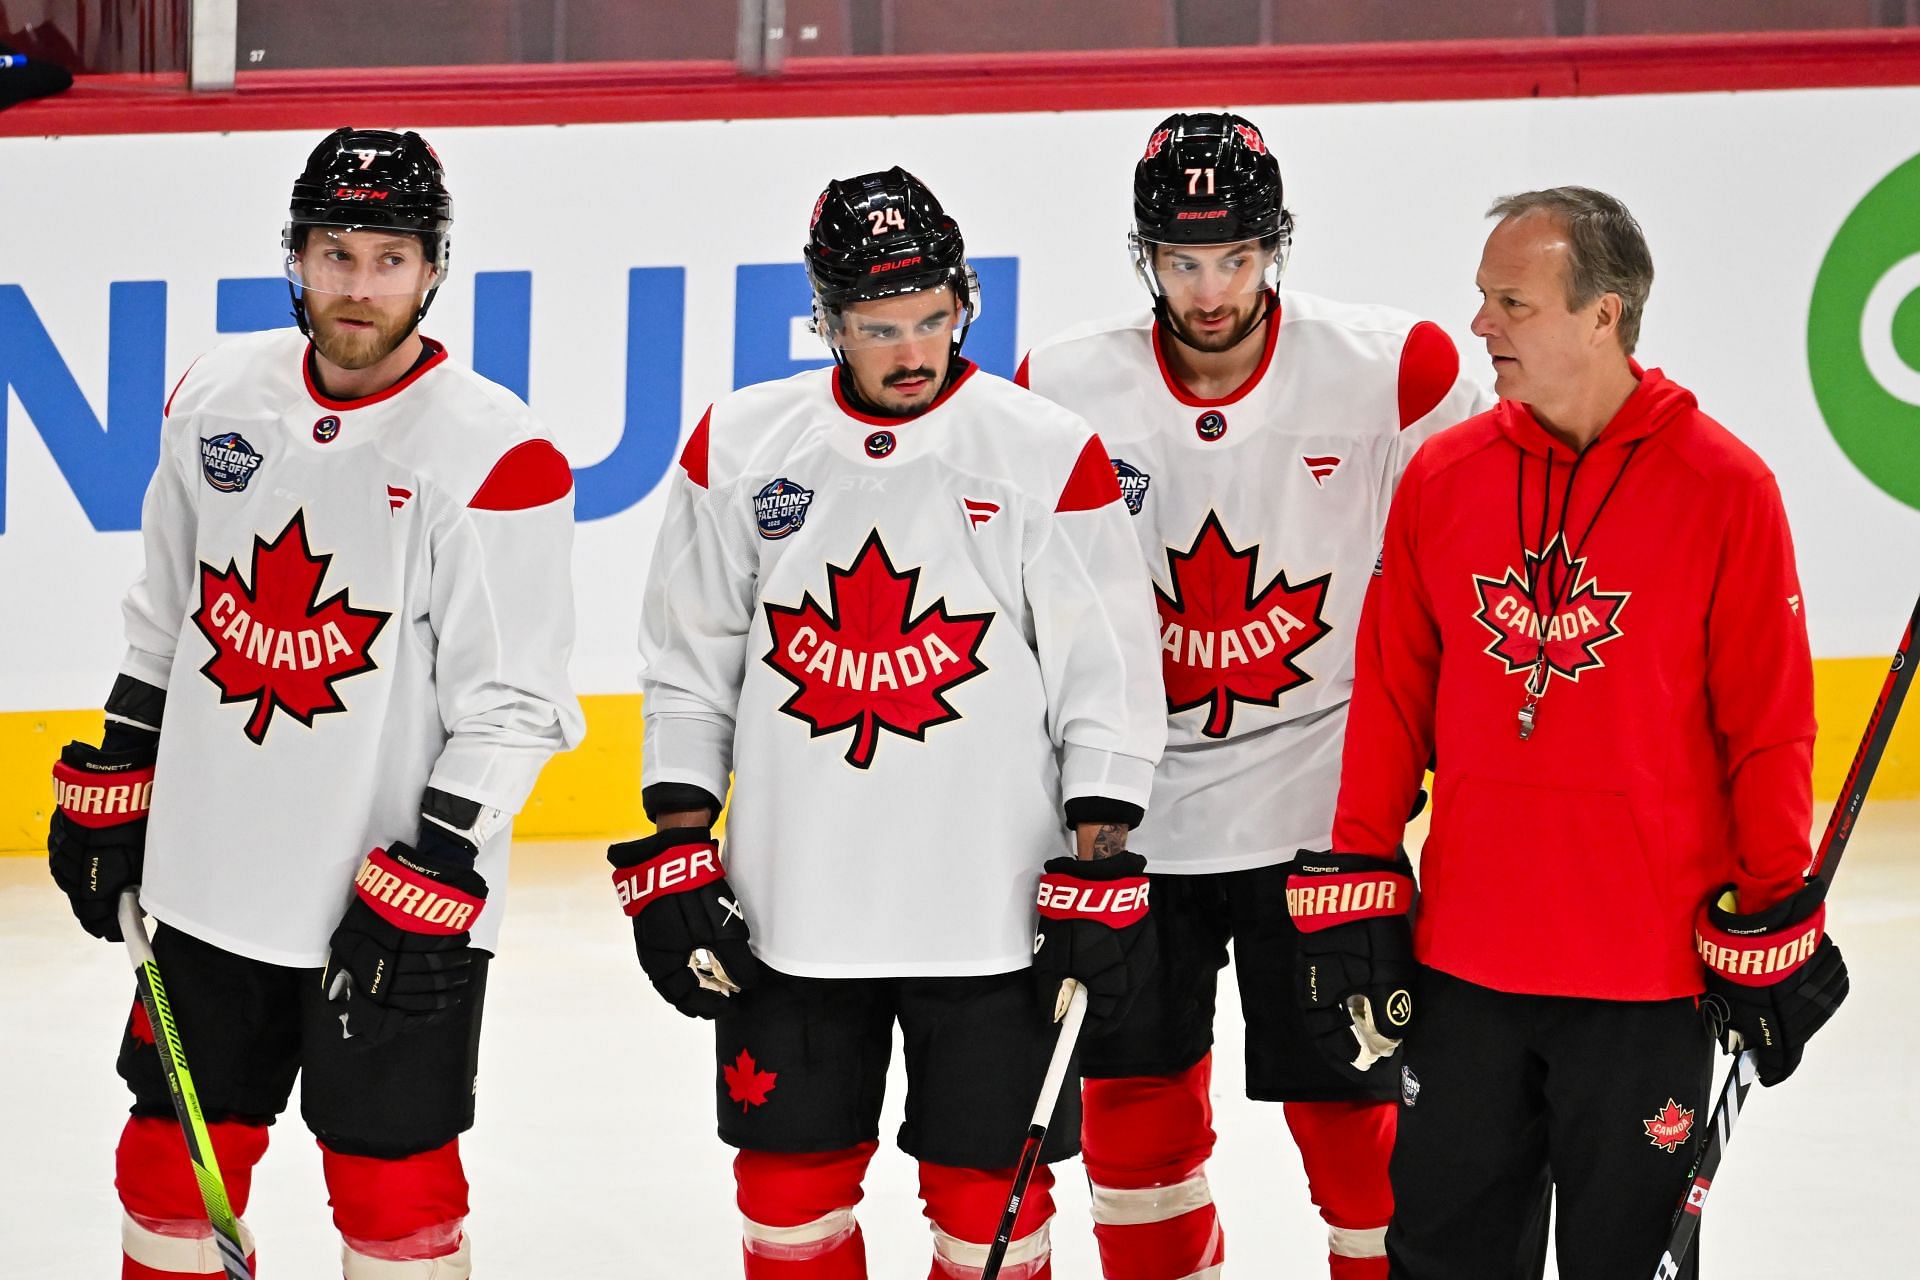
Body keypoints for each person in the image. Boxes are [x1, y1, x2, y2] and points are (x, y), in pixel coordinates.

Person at [46, 127, 584, 1280]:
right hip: (209, 883)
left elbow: (518, 702)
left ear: (434, 268)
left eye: (389, 258)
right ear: (294, 258)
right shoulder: (216, 394)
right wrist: (119, 768)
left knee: (397, 1198)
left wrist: (437, 863)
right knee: (166, 1172)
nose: (360, 285)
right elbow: (167, 610)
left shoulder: (495, 451)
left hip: (388, 904)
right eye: (336, 252)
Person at [612, 167, 1165, 1280]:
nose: (912, 350)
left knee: (986, 1207)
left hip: (994, 918)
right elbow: (688, 666)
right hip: (791, 911)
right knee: (785, 1197)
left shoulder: (1044, 449)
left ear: (962, 300)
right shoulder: (740, 445)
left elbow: (1106, 678)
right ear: (826, 318)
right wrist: (678, 845)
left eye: (931, 318)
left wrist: (1099, 862)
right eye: (878, 326)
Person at [1311, 186, 1849, 1279]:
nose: (1481, 326)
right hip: (1466, 964)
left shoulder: (1725, 488)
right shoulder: (1444, 477)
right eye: (1482, 297)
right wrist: (1363, 870)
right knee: (1445, 1255)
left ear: (1605, 313)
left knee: (1627, 1259)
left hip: (1646, 976)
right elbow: (1390, 697)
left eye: (1512, 301)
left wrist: (1775, 900)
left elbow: (1769, 726)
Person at [1015, 112, 1491, 1280]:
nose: (1212, 288)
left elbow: (1468, 570)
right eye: (1183, 260)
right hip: (1135, 813)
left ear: (1275, 245)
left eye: (1234, 257)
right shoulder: (1062, 385)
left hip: (1320, 814)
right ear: (1146, 256)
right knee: (1135, 1125)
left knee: (1354, 1127)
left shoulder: (1400, 370)